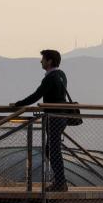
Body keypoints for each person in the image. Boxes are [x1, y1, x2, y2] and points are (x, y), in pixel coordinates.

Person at [13, 49, 71, 191]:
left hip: (53, 117)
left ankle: (60, 183)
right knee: (51, 149)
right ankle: (60, 181)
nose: (41, 61)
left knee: (53, 150)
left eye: (43, 59)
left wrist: (18, 104)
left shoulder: (50, 78)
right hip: (62, 117)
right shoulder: (61, 75)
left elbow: (36, 95)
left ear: (49, 61)